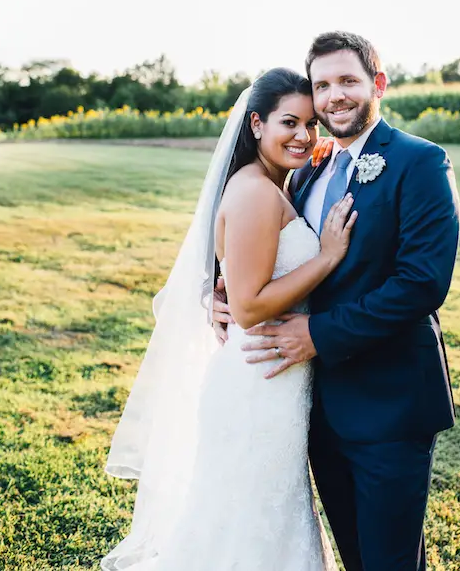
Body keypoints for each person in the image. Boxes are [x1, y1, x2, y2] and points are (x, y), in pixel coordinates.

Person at [216, 31, 460, 571]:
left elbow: (421, 283)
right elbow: (270, 250)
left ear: (378, 84)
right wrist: (224, 292)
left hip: (388, 406)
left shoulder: (420, 162)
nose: (334, 97)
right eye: (321, 85)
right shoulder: (308, 168)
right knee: (354, 558)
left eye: (348, 80)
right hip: (316, 412)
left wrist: (316, 335)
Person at [101, 68, 356, 571]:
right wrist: (325, 257)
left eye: (311, 125)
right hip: (256, 386)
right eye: (289, 122)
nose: (304, 136)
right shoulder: (256, 192)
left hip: (275, 378)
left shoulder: (272, 182)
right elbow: (247, 306)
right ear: (257, 124)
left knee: (263, 517)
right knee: (247, 523)